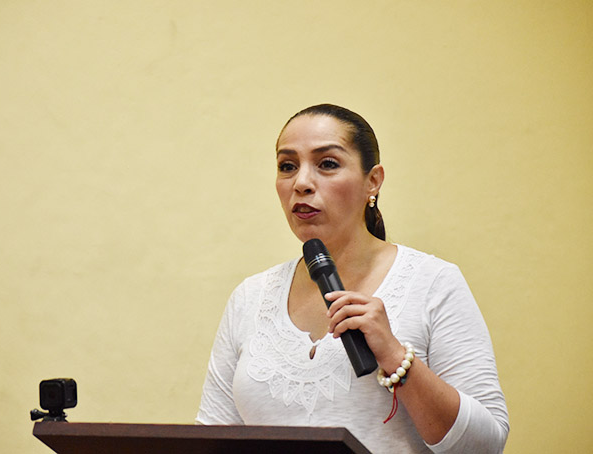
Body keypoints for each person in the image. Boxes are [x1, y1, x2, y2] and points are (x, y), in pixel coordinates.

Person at [196, 104, 509, 453]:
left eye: (327, 164)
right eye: (287, 166)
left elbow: (485, 445)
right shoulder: (249, 297)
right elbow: (211, 439)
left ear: (372, 181)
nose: (301, 183)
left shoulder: (433, 282)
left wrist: (394, 356)